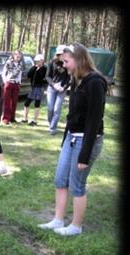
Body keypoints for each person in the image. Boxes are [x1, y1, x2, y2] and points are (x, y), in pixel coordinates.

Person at [38, 43, 107, 236]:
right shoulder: (76, 79)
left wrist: (84, 155)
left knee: (77, 184)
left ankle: (76, 226)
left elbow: (94, 120)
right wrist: (65, 140)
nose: (64, 65)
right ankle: (58, 220)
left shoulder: (95, 82)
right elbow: (73, 115)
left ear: (79, 59)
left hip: (87, 141)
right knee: (60, 179)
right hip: (71, 138)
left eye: (67, 61)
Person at [46, 44, 71, 135]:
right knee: (50, 108)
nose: (63, 56)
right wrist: (53, 85)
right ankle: (50, 123)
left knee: (57, 109)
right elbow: (47, 76)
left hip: (62, 90)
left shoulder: (67, 63)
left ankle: (53, 128)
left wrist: (64, 87)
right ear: (58, 54)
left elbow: (69, 78)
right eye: (62, 54)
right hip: (52, 88)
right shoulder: (51, 62)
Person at [21, 54, 47, 126]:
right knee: (26, 103)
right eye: (36, 61)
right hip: (33, 88)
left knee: (37, 104)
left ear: (42, 61)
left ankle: (34, 120)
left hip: (39, 88)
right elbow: (29, 75)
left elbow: (43, 78)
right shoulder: (34, 67)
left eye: (38, 61)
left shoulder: (44, 69)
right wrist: (34, 68)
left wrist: (39, 69)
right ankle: (25, 119)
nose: (37, 63)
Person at [1, 50, 22, 125]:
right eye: (17, 55)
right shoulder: (9, 62)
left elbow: (20, 73)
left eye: (19, 56)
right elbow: (3, 72)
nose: (18, 57)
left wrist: (19, 82)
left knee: (14, 102)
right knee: (7, 102)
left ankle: (12, 117)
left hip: (16, 84)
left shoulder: (20, 64)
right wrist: (5, 81)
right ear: (13, 55)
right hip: (9, 83)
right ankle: (6, 118)